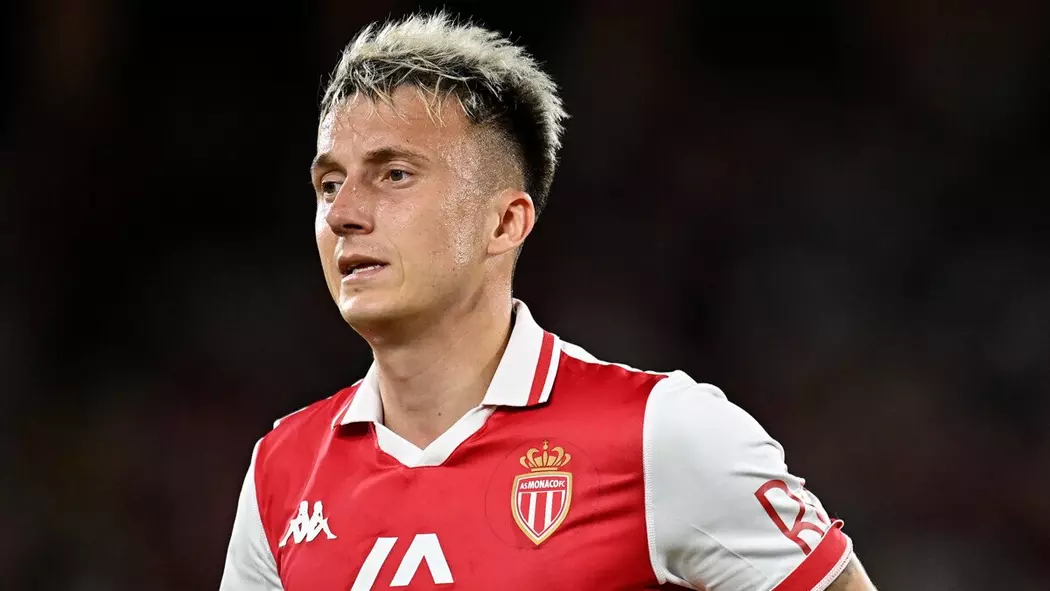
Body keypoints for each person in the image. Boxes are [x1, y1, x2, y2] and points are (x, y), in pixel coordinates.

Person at [219, 11, 878, 591]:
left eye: (394, 174)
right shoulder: (282, 471)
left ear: (505, 222)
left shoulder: (662, 435)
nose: (344, 214)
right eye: (329, 184)